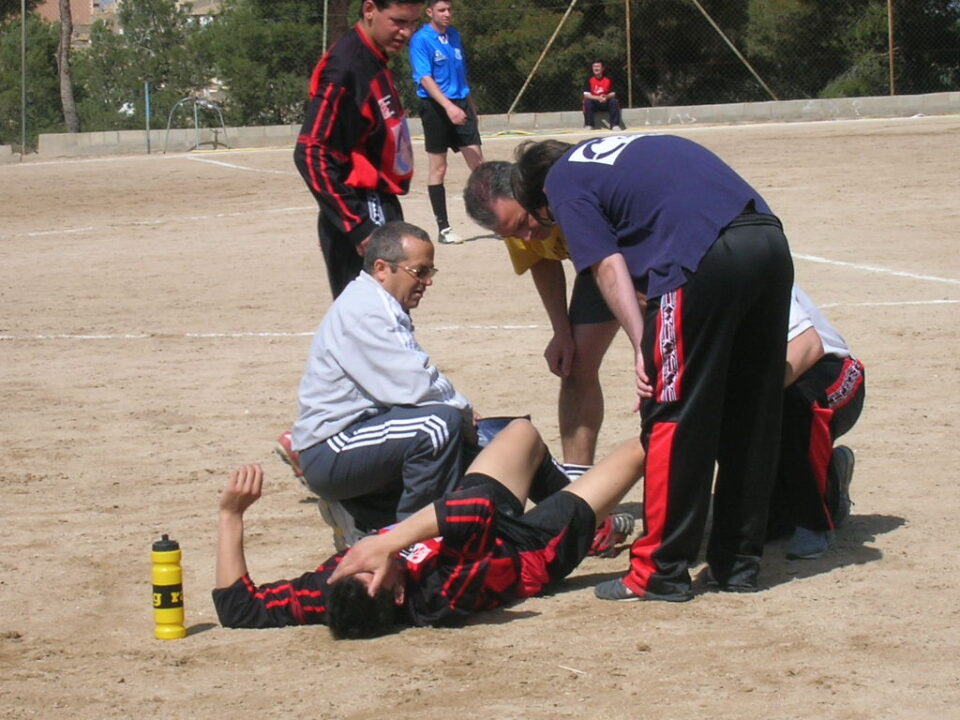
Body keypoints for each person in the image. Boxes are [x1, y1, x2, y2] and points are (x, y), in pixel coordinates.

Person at [512, 135, 794, 602]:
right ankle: (739, 564)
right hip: (769, 243)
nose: (545, 226)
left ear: (542, 194)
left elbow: (605, 266)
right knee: (752, 411)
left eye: (540, 218)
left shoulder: (562, 179)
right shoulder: (625, 149)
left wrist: (644, 343)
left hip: (703, 257)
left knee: (671, 412)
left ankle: (658, 569)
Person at [213, 418, 644, 638]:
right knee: (640, 450)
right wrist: (394, 540)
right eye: (371, 565)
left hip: (465, 524)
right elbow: (474, 508)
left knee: (521, 432)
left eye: (351, 563)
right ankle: (592, 529)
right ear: (398, 592)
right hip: (527, 550)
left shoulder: (335, 589)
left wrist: (231, 515)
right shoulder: (437, 596)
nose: (360, 554)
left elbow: (238, 608)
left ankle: (598, 523)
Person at [276, 221, 476, 551]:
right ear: (382, 268)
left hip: (356, 436)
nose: (427, 282)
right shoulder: (369, 309)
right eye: (420, 271)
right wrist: (465, 412)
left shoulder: (378, 302)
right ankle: (409, 547)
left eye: (431, 272)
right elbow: (415, 385)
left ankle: (364, 517)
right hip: (332, 448)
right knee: (439, 425)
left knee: (468, 437)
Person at [463, 161, 619, 480]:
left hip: (639, 254)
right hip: (597, 269)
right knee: (575, 365)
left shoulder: (567, 196)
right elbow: (540, 260)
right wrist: (562, 332)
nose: (526, 236)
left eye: (523, 222)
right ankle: (577, 481)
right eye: (512, 233)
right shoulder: (513, 217)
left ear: (529, 191)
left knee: (663, 367)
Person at [294, 0, 423, 299]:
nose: (406, 32)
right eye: (398, 22)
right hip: (363, 206)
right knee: (373, 319)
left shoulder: (372, 58)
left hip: (379, 202)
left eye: (412, 23)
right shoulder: (346, 67)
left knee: (390, 317)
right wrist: (356, 225)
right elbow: (311, 151)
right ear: (369, 10)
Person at [771, 285, 866, 559]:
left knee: (796, 405)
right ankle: (831, 481)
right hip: (774, 380)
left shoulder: (751, 265)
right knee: (771, 527)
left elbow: (809, 346)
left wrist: (758, 401)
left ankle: (814, 520)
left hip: (830, 372)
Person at [409, 0, 484, 245]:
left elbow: (461, 72)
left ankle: (497, 219)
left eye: (450, 9)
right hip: (436, 108)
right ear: (429, 12)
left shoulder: (455, 36)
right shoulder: (421, 39)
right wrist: (448, 106)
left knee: (479, 164)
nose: (447, 14)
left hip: (460, 103)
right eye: (442, 10)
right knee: (438, 168)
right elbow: (425, 78)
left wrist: (469, 102)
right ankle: (444, 228)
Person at [582, 61, 625, 131]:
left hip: (606, 101)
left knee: (614, 101)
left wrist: (606, 97)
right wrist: (598, 98)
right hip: (594, 102)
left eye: (598, 66)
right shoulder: (589, 78)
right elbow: (586, 95)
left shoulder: (609, 78)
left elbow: (613, 93)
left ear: (602, 68)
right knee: (587, 102)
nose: (596, 68)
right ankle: (589, 125)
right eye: (594, 67)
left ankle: (615, 125)